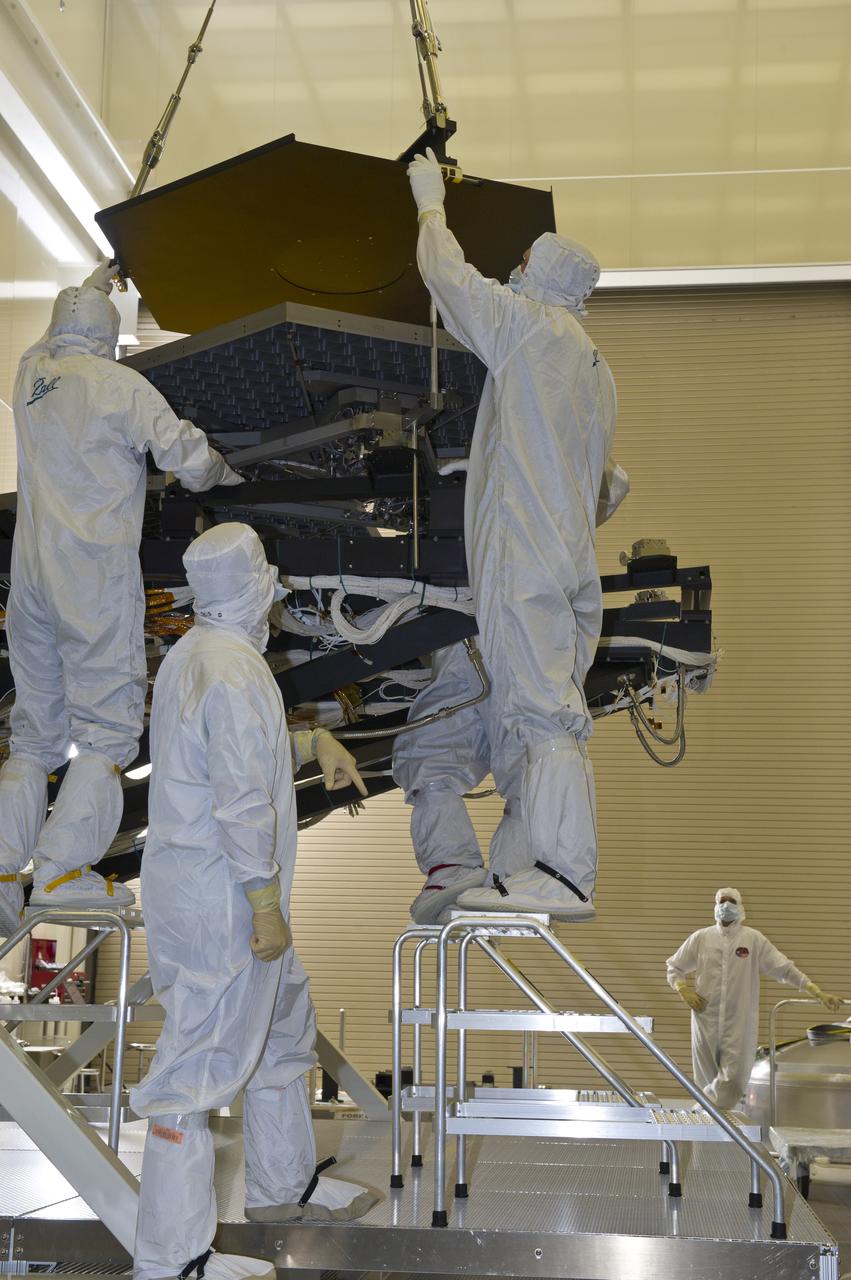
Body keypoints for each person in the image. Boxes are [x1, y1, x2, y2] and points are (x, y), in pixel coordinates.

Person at [131, 522, 378, 1280]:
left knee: (281, 1029)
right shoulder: (231, 670)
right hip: (227, 901)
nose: (274, 587)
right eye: (265, 577)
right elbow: (241, 800)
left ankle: (281, 1188)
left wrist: (314, 746)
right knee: (193, 1071)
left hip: (215, 890)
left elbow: (225, 752)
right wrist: (265, 906)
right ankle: (171, 1262)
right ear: (252, 587)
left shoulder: (202, 656)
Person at [394, 148, 627, 922]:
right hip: (561, 557)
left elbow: (449, 281)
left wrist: (430, 204)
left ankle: (563, 873)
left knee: (540, 714)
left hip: (524, 555)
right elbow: (603, 485)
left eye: (522, 262)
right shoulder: (596, 369)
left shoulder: (529, 329)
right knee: (535, 716)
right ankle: (523, 870)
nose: (513, 271)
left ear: (539, 275)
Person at [0, 261, 244, 934]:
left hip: (31, 585)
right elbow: (187, 458)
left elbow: (45, 339)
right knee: (105, 729)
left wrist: (93, 281)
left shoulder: (30, 380)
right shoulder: (120, 385)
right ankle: (61, 874)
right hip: (91, 582)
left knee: (34, 737)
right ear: (110, 336)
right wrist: (224, 470)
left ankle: (0, 875)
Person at [667, 887, 844, 1110]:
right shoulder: (701, 938)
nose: (726, 906)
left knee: (733, 1078)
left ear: (740, 906)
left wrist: (816, 991)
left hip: (739, 1020)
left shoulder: (752, 939)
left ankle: (701, 1111)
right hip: (704, 1019)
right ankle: (709, 1133)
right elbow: (674, 966)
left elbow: (784, 968)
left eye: (731, 901)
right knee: (704, 1079)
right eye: (722, 901)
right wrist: (683, 988)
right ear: (715, 905)